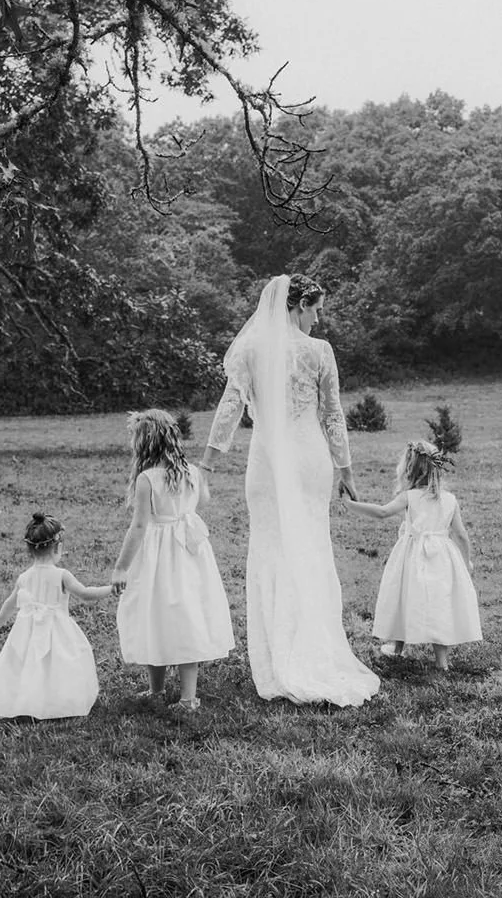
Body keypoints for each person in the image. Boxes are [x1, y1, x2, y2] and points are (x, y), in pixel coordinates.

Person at [200, 274, 380, 706]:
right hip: (308, 456)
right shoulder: (319, 353)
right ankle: (304, 651)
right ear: (298, 305)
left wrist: (206, 461)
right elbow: (333, 415)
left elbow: (231, 405)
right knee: (309, 548)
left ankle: (279, 656)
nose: (319, 319)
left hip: (267, 459)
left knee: (272, 548)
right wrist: (346, 470)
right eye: (316, 309)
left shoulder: (250, 350)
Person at [110, 410, 235, 710]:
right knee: (183, 615)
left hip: (159, 555)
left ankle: (180, 697)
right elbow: (201, 501)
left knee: (158, 616)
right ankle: (174, 695)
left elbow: (139, 526)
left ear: (144, 444)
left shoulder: (147, 479)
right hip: (190, 553)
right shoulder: (191, 471)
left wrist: (120, 567)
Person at [340, 440, 481, 670]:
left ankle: (397, 648)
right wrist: (466, 562)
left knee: (404, 596)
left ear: (410, 469)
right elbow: (461, 535)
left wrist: (350, 505)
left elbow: (383, 512)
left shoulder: (411, 497)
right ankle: (440, 661)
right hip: (442, 558)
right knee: (439, 604)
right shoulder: (449, 499)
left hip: (413, 556)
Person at [0, 512, 113, 719]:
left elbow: (10, 603)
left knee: (31, 665)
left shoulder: (24, 578)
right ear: (58, 548)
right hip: (58, 631)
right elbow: (86, 594)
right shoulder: (61, 575)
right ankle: (60, 702)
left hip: (28, 633)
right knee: (60, 664)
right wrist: (112, 589)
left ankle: (30, 702)